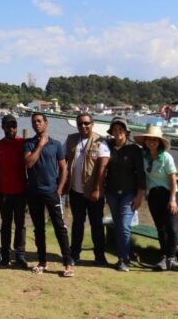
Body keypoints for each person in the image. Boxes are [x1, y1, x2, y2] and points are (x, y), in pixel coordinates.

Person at [24, 113, 75, 277]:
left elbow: (63, 169)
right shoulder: (29, 144)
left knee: (60, 228)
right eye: (34, 122)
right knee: (38, 229)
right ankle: (42, 262)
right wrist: (40, 145)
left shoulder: (56, 145)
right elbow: (29, 163)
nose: (36, 124)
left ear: (46, 123)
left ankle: (67, 263)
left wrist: (59, 189)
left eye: (39, 121)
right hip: (33, 193)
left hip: (51, 193)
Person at [135, 124, 178, 271]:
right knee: (161, 228)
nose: (152, 142)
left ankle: (172, 258)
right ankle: (164, 257)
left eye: (155, 140)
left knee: (172, 228)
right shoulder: (144, 157)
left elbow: (172, 179)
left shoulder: (166, 157)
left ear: (160, 142)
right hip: (154, 196)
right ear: (145, 141)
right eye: (149, 139)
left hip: (169, 194)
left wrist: (173, 199)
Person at [65, 113, 110, 266]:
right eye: (80, 124)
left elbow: (103, 167)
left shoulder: (100, 141)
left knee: (97, 224)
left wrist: (97, 189)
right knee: (77, 223)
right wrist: (64, 185)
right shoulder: (71, 139)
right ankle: (74, 253)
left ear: (93, 123)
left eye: (86, 123)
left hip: (93, 192)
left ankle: (99, 255)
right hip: (75, 191)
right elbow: (65, 163)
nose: (83, 126)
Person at [105, 117, 145, 272]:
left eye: (120, 129)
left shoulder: (135, 149)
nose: (117, 132)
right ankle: (123, 254)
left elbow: (141, 174)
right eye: (114, 129)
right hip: (112, 192)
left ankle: (124, 259)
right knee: (117, 225)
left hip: (129, 193)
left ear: (126, 132)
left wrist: (139, 195)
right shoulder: (108, 146)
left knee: (124, 225)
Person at [0, 115, 28, 269]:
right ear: (3, 127)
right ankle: (5, 257)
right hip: (4, 192)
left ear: (16, 127)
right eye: (8, 126)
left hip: (21, 191)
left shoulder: (23, 144)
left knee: (21, 224)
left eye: (13, 125)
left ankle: (20, 255)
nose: (11, 128)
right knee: (5, 225)